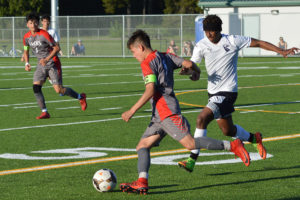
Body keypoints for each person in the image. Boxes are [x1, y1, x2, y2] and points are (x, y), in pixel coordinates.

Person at [119, 29, 251, 195]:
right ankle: (142, 181)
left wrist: (132, 110)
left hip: (166, 112)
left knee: (189, 144)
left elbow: (150, 89)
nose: (133, 55)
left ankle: (232, 145)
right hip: (159, 115)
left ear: (141, 47)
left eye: (133, 51)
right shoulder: (166, 56)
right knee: (142, 146)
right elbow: (188, 64)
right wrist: (196, 72)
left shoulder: (147, 63)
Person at [178, 14, 299, 172]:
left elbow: (259, 43)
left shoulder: (232, 40)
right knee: (228, 130)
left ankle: (191, 160)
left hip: (228, 92)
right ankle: (253, 138)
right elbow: (195, 70)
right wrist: (190, 73)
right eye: (206, 31)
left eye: (212, 31)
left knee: (201, 119)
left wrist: (281, 51)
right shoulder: (201, 45)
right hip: (212, 93)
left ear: (219, 30)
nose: (209, 34)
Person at [23, 13, 87, 119]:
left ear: (38, 23)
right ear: (27, 24)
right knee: (36, 87)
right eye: (31, 23)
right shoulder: (26, 37)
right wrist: (26, 63)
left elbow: (56, 48)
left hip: (52, 63)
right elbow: (26, 50)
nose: (33, 24)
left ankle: (80, 97)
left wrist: (47, 59)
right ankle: (45, 112)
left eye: (35, 22)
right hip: (41, 64)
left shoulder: (44, 34)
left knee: (59, 90)